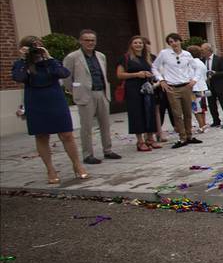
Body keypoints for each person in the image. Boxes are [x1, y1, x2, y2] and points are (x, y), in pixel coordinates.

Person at [12, 36, 88, 182]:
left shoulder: (50, 62)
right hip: (35, 101)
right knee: (41, 136)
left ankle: (77, 165)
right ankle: (50, 170)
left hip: (55, 99)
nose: (36, 49)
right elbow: (19, 78)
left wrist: (48, 57)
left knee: (67, 134)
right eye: (32, 46)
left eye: (38, 45)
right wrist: (23, 59)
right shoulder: (21, 64)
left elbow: (64, 73)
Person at [62, 29, 121, 164]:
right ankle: (88, 154)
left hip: (101, 92)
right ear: (81, 41)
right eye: (87, 40)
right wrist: (74, 90)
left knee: (105, 124)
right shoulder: (73, 57)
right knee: (87, 126)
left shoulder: (101, 56)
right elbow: (66, 77)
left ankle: (108, 150)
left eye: (92, 40)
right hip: (85, 95)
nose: (90, 43)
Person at [151, 33, 201, 149]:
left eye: (175, 41)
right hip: (172, 87)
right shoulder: (164, 54)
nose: (174, 43)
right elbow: (154, 67)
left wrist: (194, 80)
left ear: (180, 41)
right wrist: (161, 80)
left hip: (186, 86)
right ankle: (182, 137)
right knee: (177, 114)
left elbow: (196, 67)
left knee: (188, 112)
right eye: (171, 42)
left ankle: (189, 135)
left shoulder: (187, 54)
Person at [116, 35, 158, 152]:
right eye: (135, 43)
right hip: (133, 89)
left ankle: (150, 138)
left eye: (140, 43)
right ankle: (140, 141)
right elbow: (120, 75)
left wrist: (150, 75)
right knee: (137, 114)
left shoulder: (147, 58)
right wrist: (136, 74)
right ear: (131, 45)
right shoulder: (126, 58)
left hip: (147, 89)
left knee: (150, 112)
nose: (138, 45)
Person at [201, 43, 223, 128]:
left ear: (208, 50)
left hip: (220, 85)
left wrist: (215, 73)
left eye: (203, 50)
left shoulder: (218, 59)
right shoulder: (202, 60)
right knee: (211, 104)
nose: (202, 51)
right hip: (209, 86)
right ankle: (216, 120)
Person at [186, 45, 209, 133]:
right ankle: (204, 124)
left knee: (196, 109)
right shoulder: (201, 63)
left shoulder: (192, 64)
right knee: (202, 108)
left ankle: (201, 125)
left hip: (195, 88)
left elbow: (190, 76)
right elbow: (205, 76)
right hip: (202, 87)